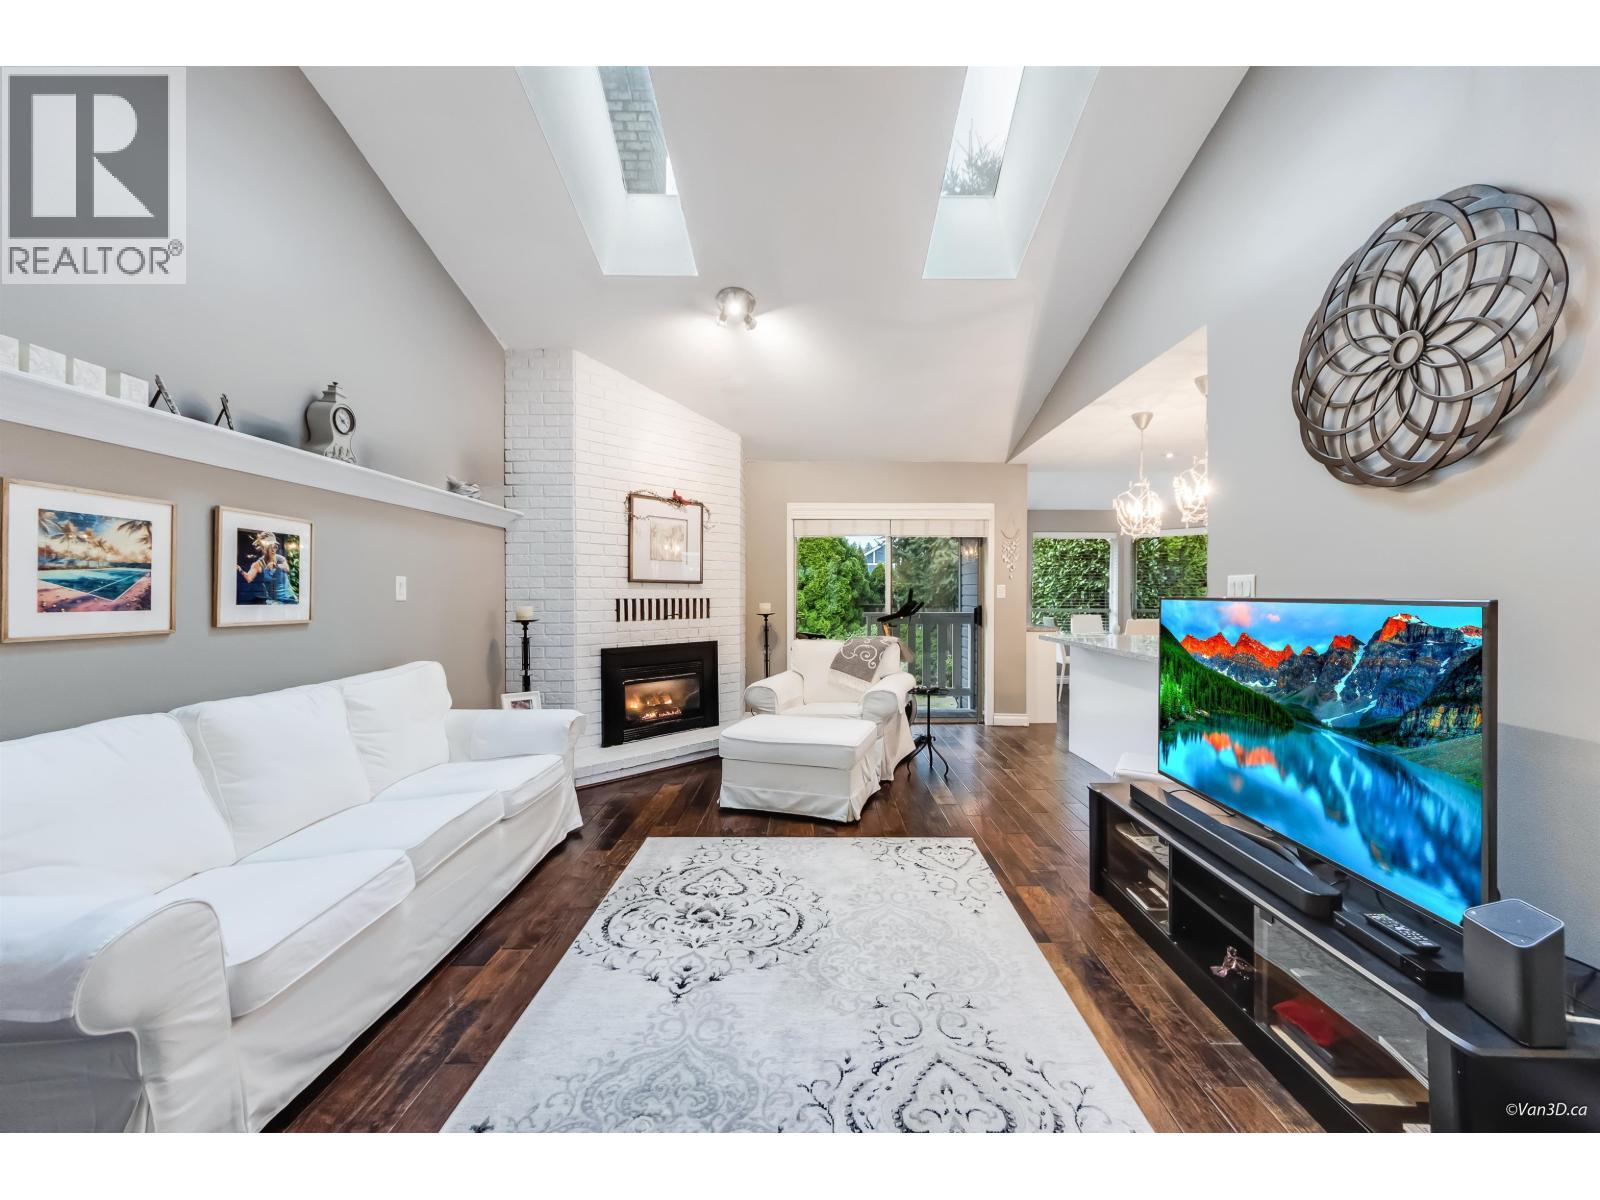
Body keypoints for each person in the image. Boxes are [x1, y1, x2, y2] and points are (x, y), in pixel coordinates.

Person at [237, 530, 295, 604]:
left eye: (275, 546)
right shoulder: (258, 564)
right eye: (270, 546)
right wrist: (240, 570)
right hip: (274, 601)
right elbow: (249, 578)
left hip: (289, 598)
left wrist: (276, 565)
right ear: (263, 548)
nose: (273, 549)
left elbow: (287, 569)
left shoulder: (280, 559)